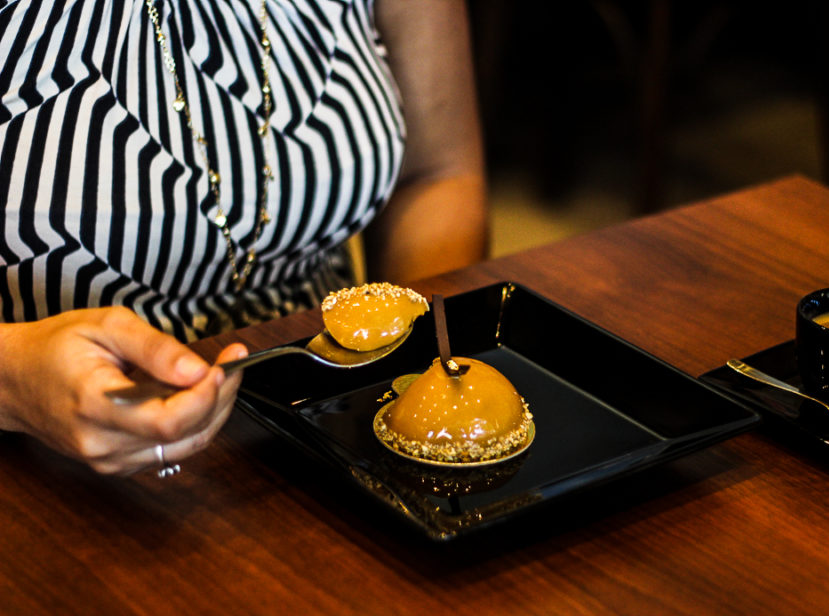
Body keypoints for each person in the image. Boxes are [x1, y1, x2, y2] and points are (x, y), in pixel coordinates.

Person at [0, 0, 487, 475]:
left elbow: (436, 176)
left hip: (322, 433)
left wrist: (411, 372)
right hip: (40, 470)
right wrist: (14, 380)